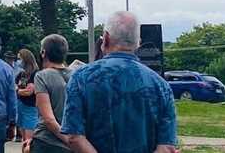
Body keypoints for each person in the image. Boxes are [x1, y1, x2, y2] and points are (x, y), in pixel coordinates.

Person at [61, 11, 177, 153]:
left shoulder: (81, 77)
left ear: (106, 38)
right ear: (138, 43)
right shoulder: (160, 85)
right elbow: (167, 146)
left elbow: (74, 136)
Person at [29, 34, 71, 153]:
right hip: (73, 141)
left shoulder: (42, 76)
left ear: (43, 53)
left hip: (46, 141)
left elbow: (49, 120)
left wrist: (67, 139)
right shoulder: (77, 75)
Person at [16, 49, 40, 145]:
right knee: (23, 138)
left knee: (29, 140)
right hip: (21, 106)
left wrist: (17, 91)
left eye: (19, 59)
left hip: (30, 107)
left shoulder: (36, 73)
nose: (18, 62)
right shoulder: (22, 74)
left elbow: (29, 92)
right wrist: (19, 91)